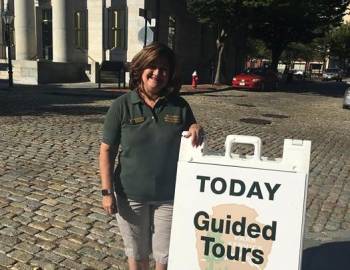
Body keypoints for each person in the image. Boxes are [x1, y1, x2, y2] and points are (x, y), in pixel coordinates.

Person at [99, 43, 203, 270]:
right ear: (140, 69)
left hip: (169, 197)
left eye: (164, 69)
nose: (158, 73)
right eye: (152, 66)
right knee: (137, 255)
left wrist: (195, 126)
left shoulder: (179, 105)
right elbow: (107, 150)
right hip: (130, 195)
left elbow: (192, 129)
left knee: (164, 256)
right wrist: (107, 193)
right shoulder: (121, 106)